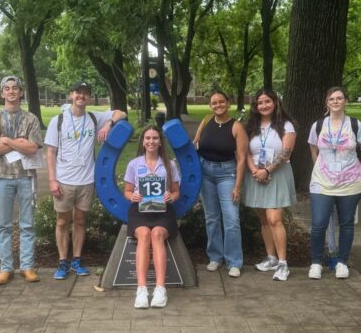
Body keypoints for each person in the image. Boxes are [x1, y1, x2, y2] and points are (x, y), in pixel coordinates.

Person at [44, 80, 127, 279]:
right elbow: (50, 152)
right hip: (64, 180)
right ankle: (63, 262)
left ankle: (77, 260)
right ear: (71, 94)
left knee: (80, 220)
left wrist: (108, 124)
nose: (82, 96)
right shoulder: (59, 120)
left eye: (85, 93)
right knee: (62, 221)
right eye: (78, 93)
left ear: (89, 97)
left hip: (87, 180)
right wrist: (52, 180)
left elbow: (121, 113)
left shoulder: (93, 117)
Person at [307, 86, 361, 279]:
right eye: (331, 99)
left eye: (339, 98)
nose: (335, 101)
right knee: (319, 223)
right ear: (327, 103)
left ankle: (342, 262)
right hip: (322, 182)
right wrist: (320, 168)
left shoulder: (355, 124)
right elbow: (313, 149)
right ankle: (316, 262)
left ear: (345, 101)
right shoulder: (318, 125)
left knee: (346, 224)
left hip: (350, 183)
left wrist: (357, 170)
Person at [0, 75, 44, 284]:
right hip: (2, 177)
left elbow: (32, 148)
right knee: (3, 224)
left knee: (27, 224)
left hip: (26, 176)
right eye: (7, 88)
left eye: (15, 88)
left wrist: (8, 141)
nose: (11, 92)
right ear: (2, 93)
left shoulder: (31, 119)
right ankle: (6, 268)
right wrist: (19, 142)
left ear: (21, 92)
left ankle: (27, 266)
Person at [123, 125, 181, 309]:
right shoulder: (134, 164)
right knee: (144, 235)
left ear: (160, 142)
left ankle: (160, 288)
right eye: (147, 138)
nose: (151, 141)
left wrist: (172, 197)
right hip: (139, 212)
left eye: (155, 138)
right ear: (143, 141)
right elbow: (127, 190)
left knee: (156, 234)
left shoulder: (169, 164)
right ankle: (141, 289)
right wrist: (132, 196)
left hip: (162, 212)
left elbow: (176, 191)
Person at [242, 88, 297, 281]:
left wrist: (268, 171)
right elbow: (245, 151)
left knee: (275, 219)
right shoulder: (251, 126)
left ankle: (283, 264)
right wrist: (255, 171)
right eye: (260, 103)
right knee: (264, 219)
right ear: (255, 106)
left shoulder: (286, 126)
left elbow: (287, 152)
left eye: (267, 101)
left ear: (275, 103)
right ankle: (271, 258)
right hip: (256, 175)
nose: (264, 106)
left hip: (277, 174)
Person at [194, 89, 248, 276]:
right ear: (210, 106)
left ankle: (234, 261)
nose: (218, 105)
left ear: (228, 103)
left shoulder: (236, 126)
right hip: (205, 172)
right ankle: (215, 257)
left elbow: (241, 158)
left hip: (227, 174)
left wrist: (237, 186)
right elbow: (196, 145)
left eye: (221, 102)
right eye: (214, 103)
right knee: (212, 218)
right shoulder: (206, 121)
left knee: (231, 219)